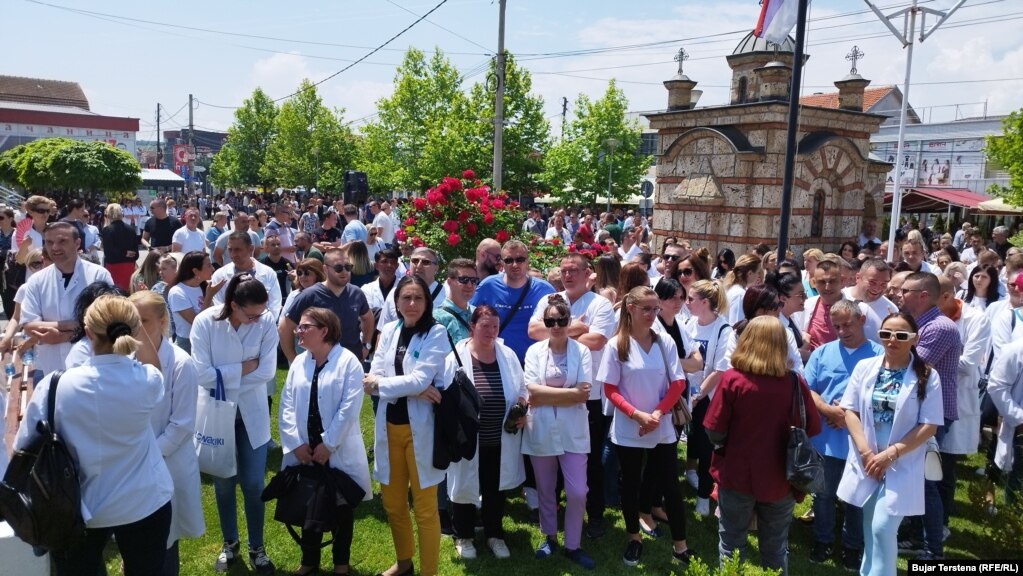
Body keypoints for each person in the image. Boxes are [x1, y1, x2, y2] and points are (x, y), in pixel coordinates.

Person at [14, 295, 174, 575]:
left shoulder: (55, 387)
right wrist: (137, 329)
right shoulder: (146, 382)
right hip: (144, 502)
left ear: (88, 333)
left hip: (78, 506)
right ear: (134, 330)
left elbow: (22, 446)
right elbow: (155, 368)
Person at [703, 316, 822, 576]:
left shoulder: (733, 380)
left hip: (736, 475)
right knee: (776, 548)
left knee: (732, 544)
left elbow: (713, 428)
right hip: (781, 479)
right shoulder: (793, 382)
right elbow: (812, 427)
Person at [837, 312, 943, 576]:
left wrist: (891, 454)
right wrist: (865, 451)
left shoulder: (928, 376)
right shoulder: (865, 367)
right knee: (870, 529)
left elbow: (930, 424)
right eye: (886, 334)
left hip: (902, 463)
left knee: (883, 529)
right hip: (867, 461)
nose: (892, 340)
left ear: (914, 339)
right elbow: (849, 411)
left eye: (901, 335)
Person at [599, 286, 695, 568]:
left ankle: (681, 546)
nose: (653, 314)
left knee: (670, 487)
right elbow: (610, 388)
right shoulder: (616, 345)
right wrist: (637, 415)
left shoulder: (664, 341)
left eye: (656, 309)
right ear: (630, 308)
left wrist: (655, 414)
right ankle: (634, 538)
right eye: (647, 309)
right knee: (630, 484)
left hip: (661, 424)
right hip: (630, 427)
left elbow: (678, 382)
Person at [190, 274, 280, 574]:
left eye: (261, 313)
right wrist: (243, 368)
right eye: (251, 314)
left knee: (254, 484)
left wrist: (224, 375)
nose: (258, 320)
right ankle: (229, 543)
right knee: (224, 483)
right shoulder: (205, 323)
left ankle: (257, 546)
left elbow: (267, 371)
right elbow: (201, 375)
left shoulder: (266, 321)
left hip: (251, 413)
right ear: (232, 305)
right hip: (217, 414)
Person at [364, 275, 450, 576]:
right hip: (389, 427)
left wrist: (398, 385)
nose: (411, 304)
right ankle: (404, 563)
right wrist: (413, 388)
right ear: (396, 302)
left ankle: (429, 572)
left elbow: (415, 379)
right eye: (405, 298)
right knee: (393, 504)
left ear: (427, 303)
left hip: (421, 431)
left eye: (418, 298)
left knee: (425, 509)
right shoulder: (389, 329)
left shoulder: (436, 333)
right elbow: (372, 377)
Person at [527, 253, 617, 537]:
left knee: (589, 463)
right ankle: (553, 519)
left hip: (588, 394)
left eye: (573, 270)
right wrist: (576, 327)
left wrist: (555, 332)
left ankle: (595, 515)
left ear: (587, 273)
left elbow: (598, 340)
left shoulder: (600, 304)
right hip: (548, 392)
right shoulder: (550, 301)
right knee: (550, 458)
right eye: (563, 270)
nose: (567, 275)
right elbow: (532, 330)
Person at [279, 307, 371, 576]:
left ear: (324, 331)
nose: (298, 331)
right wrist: (296, 443)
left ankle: (341, 564)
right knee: (309, 504)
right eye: (299, 327)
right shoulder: (299, 362)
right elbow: (286, 403)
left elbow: (350, 407)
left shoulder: (348, 362)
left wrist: (329, 444)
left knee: (341, 506)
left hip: (337, 450)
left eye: (305, 327)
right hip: (305, 449)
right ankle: (309, 562)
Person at [129, 290, 205, 576]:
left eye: (143, 321)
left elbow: (182, 424)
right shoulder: (123, 359)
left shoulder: (181, 364)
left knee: (165, 540)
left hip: (165, 462)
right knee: (135, 537)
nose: (136, 329)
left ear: (162, 321)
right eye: (130, 322)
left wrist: (148, 456)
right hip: (132, 463)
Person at [804, 300, 884, 570]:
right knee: (823, 495)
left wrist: (852, 416)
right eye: (836, 325)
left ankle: (852, 545)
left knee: (857, 497)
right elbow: (808, 389)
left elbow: (887, 397)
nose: (841, 330)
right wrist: (829, 411)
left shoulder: (880, 355)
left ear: (862, 320)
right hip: (826, 440)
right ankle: (823, 539)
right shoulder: (822, 353)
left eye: (847, 324)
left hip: (863, 442)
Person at [445, 305, 527, 560]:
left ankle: (494, 534)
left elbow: (522, 388)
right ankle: (464, 535)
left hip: (499, 438)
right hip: (468, 439)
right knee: (464, 487)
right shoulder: (456, 357)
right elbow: (446, 397)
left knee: (495, 487)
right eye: (484, 326)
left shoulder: (508, 355)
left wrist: (522, 409)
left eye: (495, 326)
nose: (491, 331)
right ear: (472, 327)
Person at [522, 295, 596, 568]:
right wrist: (569, 394)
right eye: (550, 321)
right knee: (545, 488)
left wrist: (546, 395)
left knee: (578, 492)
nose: (556, 326)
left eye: (561, 321)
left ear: (569, 322)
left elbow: (583, 395)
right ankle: (549, 536)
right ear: (545, 322)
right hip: (540, 428)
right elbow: (531, 390)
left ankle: (573, 544)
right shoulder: (534, 352)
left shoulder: (582, 352)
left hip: (573, 430)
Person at [897, 272, 962, 560]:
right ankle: (914, 537)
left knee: (926, 482)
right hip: (917, 412)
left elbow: (911, 367)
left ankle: (933, 548)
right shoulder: (919, 325)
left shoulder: (940, 328)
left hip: (932, 416)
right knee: (914, 478)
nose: (899, 295)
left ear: (923, 295)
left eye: (904, 290)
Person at [19, 222, 113, 374]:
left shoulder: (98, 276)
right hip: (50, 367)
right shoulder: (36, 281)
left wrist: (61, 337)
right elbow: (29, 326)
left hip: (91, 368)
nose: (55, 247)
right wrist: (73, 325)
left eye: (62, 241)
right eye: (49, 242)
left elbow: (106, 322)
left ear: (77, 243)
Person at [281, 248, 374, 363]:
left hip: (353, 361)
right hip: (319, 365)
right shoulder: (309, 295)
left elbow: (368, 318)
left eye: (348, 267)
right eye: (338, 268)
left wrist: (366, 345)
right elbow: (285, 327)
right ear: (325, 269)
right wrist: (293, 359)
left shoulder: (356, 293)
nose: (344, 272)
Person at [471, 239, 556, 363]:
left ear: (527, 261)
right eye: (509, 260)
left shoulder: (545, 290)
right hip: (497, 362)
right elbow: (470, 317)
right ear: (502, 263)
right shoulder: (488, 286)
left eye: (520, 259)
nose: (515, 265)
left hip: (536, 363)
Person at [209, 231, 283, 317]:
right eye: (230, 249)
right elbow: (219, 306)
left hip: (261, 327)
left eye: (237, 250)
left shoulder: (268, 273)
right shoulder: (219, 275)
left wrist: (262, 324)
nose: (233, 254)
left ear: (251, 249)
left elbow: (275, 304)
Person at [165, 250, 217, 353]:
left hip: (207, 341)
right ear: (196, 271)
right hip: (188, 345)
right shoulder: (177, 292)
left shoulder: (204, 286)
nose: (213, 269)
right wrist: (209, 296)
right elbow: (196, 322)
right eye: (208, 265)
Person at [100, 202, 139, 291]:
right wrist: (126, 253)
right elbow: (136, 254)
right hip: (129, 266)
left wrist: (123, 253)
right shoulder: (131, 229)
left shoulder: (107, 230)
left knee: (114, 293)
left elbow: (108, 253)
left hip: (113, 267)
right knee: (128, 292)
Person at [722, 254, 763, 325]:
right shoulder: (739, 294)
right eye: (757, 272)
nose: (758, 275)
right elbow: (736, 326)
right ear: (750, 273)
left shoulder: (734, 289)